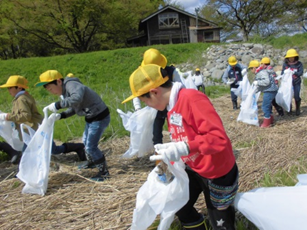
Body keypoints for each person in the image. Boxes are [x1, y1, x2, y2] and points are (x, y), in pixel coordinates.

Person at [122, 64, 239, 230]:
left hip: (217, 171)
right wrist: (171, 153)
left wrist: (184, 147)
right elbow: (184, 135)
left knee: (220, 221)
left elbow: (218, 139)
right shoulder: (171, 106)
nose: (148, 105)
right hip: (193, 168)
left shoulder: (192, 99)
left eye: (145, 100)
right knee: (177, 203)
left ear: (154, 92)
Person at [35, 70, 110, 182]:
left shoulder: (72, 85)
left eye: (51, 88)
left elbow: (76, 98)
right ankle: (92, 162)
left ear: (59, 82)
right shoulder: (65, 92)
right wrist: (61, 116)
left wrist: (58, 105)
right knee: (85, 141)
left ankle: (104, 173)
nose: (51, 92)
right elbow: (75, 108)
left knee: (90, 146)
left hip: (99, 116)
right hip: (91, 117)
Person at [0, 75, 86, 162]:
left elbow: (26, 116)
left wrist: (7, 117)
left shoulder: (21, 99)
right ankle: (29, 172)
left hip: (35, 129)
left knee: (52, 150)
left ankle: (78, 147)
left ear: (18, 87)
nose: (8, 90)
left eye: (10, 87)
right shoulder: (21, 97)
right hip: (32, 130)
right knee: (29, 153)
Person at [133, 48, 185, 146]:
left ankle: (179, 145)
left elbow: (181, 87)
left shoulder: (172, 72)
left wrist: (177, 104)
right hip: (155, 106)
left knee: (177, 127)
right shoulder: (144, 75)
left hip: (173, 104)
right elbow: (138, 92)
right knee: (156, 129)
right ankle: (158, 151)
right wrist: (138, 109)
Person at [249, 60, 278, 127]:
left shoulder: (261, 72)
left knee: (265, 106)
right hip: (270, 90)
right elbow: (261, 85)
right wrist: (254, 91)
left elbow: (266, 82)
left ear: (254, 68)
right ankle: (271, 119)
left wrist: (257, 83)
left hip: (270, 90)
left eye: (251, 68)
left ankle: (267, 122)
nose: (251, 71)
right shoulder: (260, 72)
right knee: (267, 105)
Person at [281, 49, 304, 116]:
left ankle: (297, 109)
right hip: (288, 84)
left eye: (292, 57)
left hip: (296, 82)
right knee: (289, 96)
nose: (291, 59)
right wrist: (285, 73)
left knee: (296, 96)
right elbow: (282, 73)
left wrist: (294, 72)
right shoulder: (285, 64)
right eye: (289, 58)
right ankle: (289, 109)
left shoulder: (299, 64)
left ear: (295, 57)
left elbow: (300, 72)